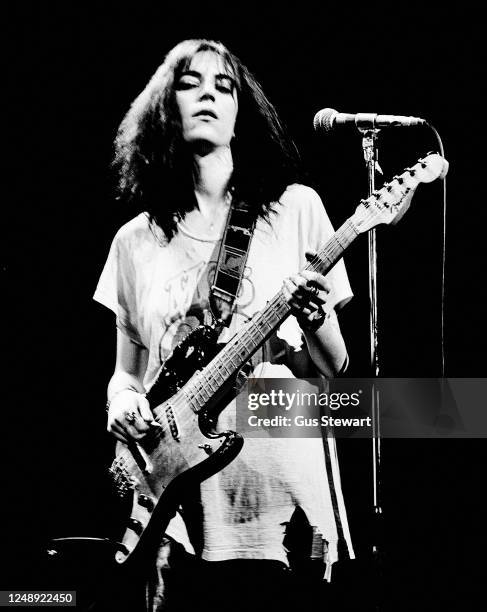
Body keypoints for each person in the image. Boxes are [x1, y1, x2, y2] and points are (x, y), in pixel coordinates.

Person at [94, 39, 354, 611]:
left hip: (283, 502)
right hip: (179, 512)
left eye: (224, 85)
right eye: (190, 82)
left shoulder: (297, 209)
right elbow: (126, 376)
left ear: (241, 111)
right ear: (165, 107)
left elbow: (332, 369)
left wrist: (314, 322)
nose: (209, 93)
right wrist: (120, 404)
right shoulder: (134, 241)